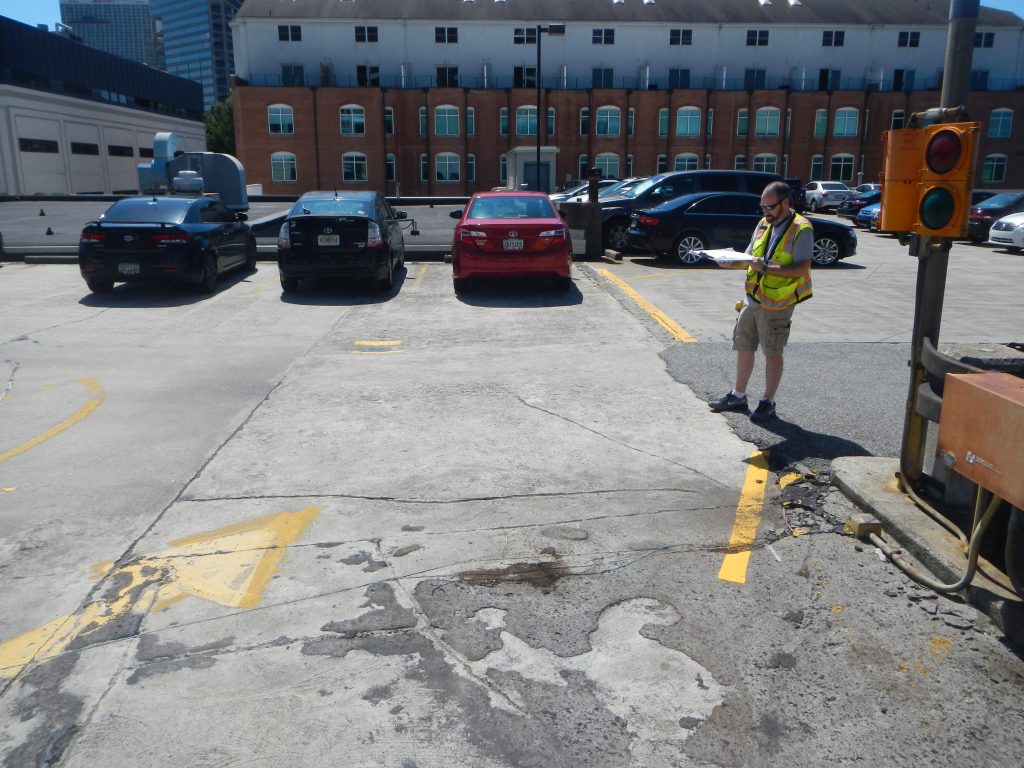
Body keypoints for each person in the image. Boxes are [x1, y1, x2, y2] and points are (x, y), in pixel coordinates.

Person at [708, 180, 813, 422]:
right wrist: (730, 262)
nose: (765, 212)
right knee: (744, 345)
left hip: (778, 302)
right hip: (752, 298)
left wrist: (765, 267)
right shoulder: (764, 223)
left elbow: (801, 268)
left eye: (770, 207)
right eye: (762, 207)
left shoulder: (801, 228)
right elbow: (749, 257)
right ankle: (738, 395)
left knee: (772, 351)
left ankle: (767, 402)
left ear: (785, 203)